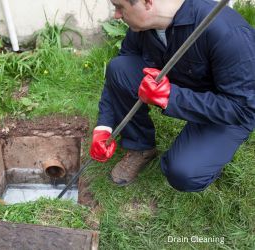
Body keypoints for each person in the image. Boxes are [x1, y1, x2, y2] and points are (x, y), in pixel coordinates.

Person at [89, 0, 255, 191]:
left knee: (184, 172)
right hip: (183, 82)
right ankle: (140, 146)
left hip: (228, 107)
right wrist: (104, 127)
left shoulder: (227, 31)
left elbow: (244, 109)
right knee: (120, 68)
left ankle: (205, 152)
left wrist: (171, 97)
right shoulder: (143, 26)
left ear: (147, 2)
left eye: (120, 7)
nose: (116, 15)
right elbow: (118, 74)